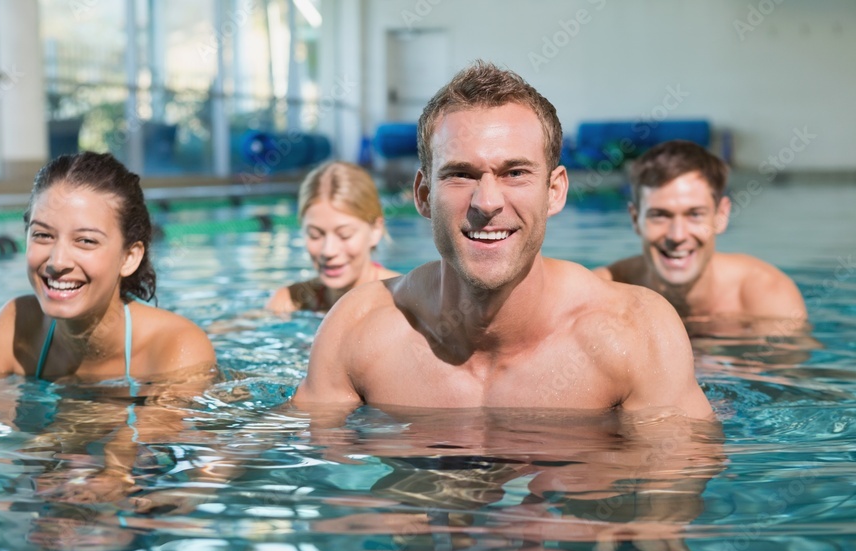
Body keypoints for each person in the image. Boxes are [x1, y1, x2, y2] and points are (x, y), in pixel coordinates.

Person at [291, 62, 713, 421]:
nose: (487, 202)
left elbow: (668, 502)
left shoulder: (636, 334)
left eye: (515, 173)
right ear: (422, 195)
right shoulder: (357, 330)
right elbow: (312, 483)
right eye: (460, 174)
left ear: (555, 191)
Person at [0, 151, 216, 385]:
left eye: (86, 241)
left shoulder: (176, 348)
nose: (57, 262)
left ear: (129, 257)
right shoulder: (17, 324)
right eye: (43, 235)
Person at [593, 140, 807, 323]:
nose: (677, 236)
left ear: (721, 216)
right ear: (635, 219)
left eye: (695, 214)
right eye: (659, 215)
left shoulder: (766, 298)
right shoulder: (603, 293)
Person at [266, 160, 400, 314]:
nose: (328, 251)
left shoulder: (402, 301)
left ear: (375, 230)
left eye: (344, 235)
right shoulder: (291, 301)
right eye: (315, 235)